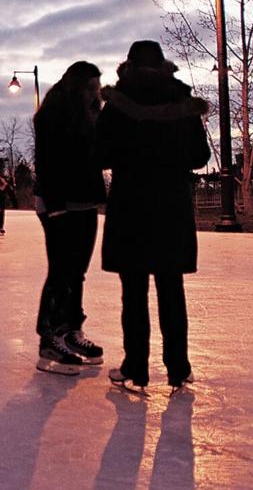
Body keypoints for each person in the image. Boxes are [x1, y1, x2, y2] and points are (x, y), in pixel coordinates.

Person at [98, 41, 210, 394]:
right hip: (171, 206)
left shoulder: (116, 106)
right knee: (171, 289)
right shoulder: (182, 103)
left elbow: (100, 152)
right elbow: (199, 156)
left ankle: (135, 368)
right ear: (164, 66)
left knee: (133, 292)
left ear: (128, 66)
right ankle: (178, 368)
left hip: (131, 205)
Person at [32, 61, 107, 376]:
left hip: (85, 201)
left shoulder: (91, 115)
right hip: (58, 203)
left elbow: (102, 155)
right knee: (61, 271)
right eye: (92, 86)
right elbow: (47, 161)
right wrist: (56, 204)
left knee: (77, 271)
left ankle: (71, 330)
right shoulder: (53, 114)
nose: (96, 92)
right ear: (78, 85)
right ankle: (48, 338)